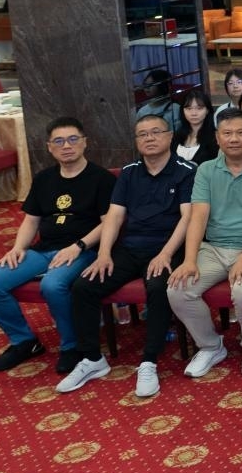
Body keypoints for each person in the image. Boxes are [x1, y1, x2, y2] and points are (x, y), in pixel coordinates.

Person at [57, 114, 196, 397]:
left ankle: (149, 361)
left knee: (158, 286)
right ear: (136, 140)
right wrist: (104, 253)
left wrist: (166, 254)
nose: (149, 138)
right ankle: (92, 359)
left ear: (170, 136)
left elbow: (188, 218)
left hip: (168, 248)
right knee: (84, 286)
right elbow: (115, 216)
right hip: (130, 248)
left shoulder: (186, 171)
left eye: (156, 132)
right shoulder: (129, 172)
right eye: (142, 134)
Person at [0, 117, 117, 374]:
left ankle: (72, 345)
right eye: (59, 141)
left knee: (53, 285)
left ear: (85, 142)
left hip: (85, 250)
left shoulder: (101, 178)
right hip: (44, 249)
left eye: (73, 139)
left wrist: (79, 245)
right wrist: (18, 247)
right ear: (49, 147)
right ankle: (24, 342)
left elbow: (109, 223)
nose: (67, 146)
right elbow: (31, 220)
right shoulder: (44, 179)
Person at [167, 107, 242, 379]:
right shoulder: (206, 170)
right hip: (214, 248)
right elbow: (198, 217)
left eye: (241, 133)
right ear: (217, 138)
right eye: (227, 133)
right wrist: (189, 259)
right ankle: (210, 346)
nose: (234, 139)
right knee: (178, 289)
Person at [173, 88, 219, 165]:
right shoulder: (177, 136)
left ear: (207, 110)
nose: (193, 113)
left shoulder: (215, 137)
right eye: (189, 108)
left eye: (199, 108)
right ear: (182, 111)